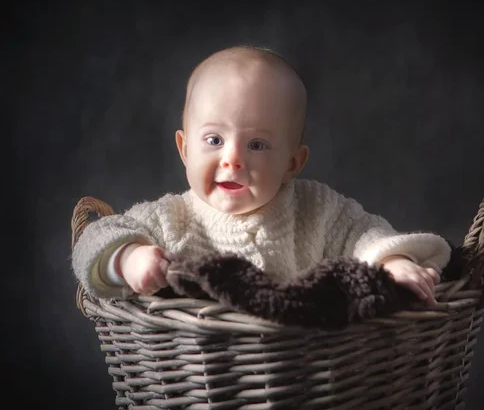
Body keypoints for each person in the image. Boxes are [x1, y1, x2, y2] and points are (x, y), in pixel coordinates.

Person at [71, 45, 452, 306]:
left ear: (292, 163)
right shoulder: (170, 219)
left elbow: (363, 233)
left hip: (305, 372)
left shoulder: (314, 209)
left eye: (257, 145)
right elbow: (95, 238)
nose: (232, 159)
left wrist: (390, 264)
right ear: (185, 149)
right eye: (214, 139)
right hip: (199, 372)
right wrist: (129, 258)